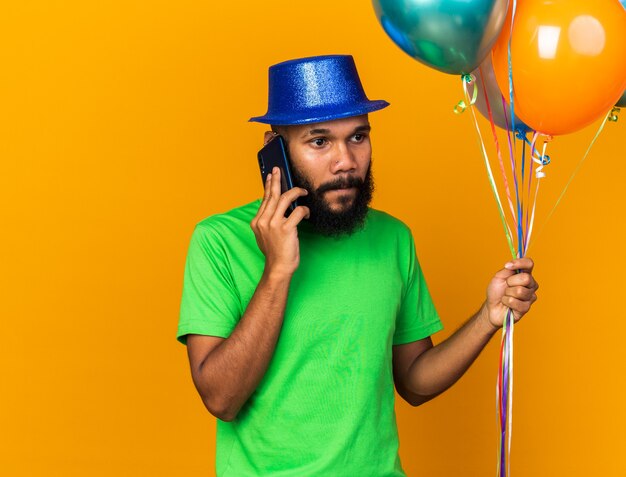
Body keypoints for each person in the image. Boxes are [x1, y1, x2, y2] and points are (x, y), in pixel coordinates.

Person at [177, 55, 538, 477]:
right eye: (319, 142)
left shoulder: (392, 239)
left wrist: (488, 318)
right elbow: (221, 399)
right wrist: (277, 271)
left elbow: (415, 382)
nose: (346, 161)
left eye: (358, 137)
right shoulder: (219, 241)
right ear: (275, 152)